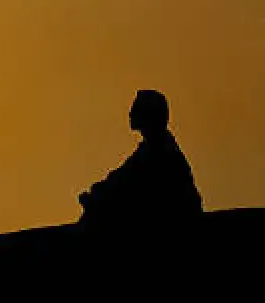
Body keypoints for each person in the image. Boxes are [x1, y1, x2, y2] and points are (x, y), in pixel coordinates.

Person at [78, 90, 203, 229]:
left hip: (169, 218)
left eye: (135, 109)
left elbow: (130, 180)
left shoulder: (160, 150)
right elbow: (123, 175)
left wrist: (100, 194)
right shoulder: (152, 147)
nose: (130, 114)